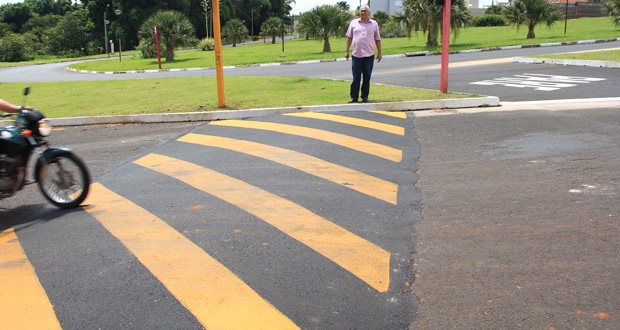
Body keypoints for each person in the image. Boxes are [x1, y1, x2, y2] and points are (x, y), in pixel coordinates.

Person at [345, 5, 382, 103]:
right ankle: (354, 97)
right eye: (361, 11)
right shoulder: (354, 23)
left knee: (367, 76)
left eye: (365, 11)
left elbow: (377, 39)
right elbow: (349, 37)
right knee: (356, 77)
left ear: (369, 13)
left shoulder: (374, 24)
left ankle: (364, 96)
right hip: (356, 55)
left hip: (369, 55)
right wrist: (346, 51)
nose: (363, 13)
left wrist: (379, 53)